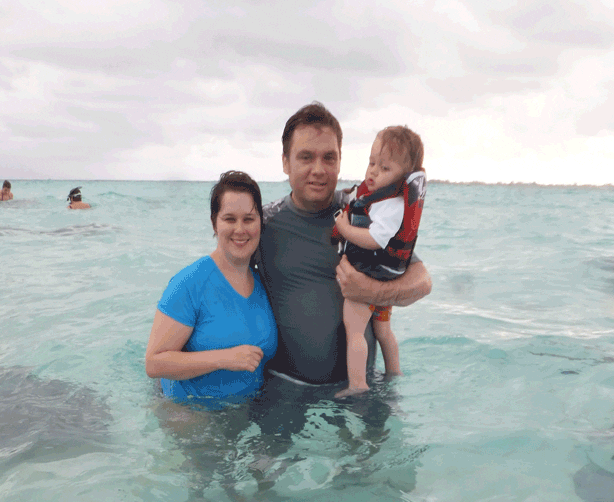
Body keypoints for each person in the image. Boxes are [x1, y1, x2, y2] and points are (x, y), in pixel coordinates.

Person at [256, 102, 431, 391]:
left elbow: (422, 281)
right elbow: (216, 280)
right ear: (286, 162)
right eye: (306, 157)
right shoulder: (262, 223)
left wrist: (375, 292)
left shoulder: (362, 213)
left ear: (340, 160)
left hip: (362, 394)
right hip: (285, 390)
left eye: (329, 157)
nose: (319, 170)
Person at [145, 170, 277, 403]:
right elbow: (154, 363)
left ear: (260, 223)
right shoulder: (189, 283)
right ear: (214, 224)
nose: (240, 229)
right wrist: (224, 358)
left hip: (245, 414)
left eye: (248, 219)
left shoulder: (261, 282)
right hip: (192, 415)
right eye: (229, 219)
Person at [332, 126, 426, 397]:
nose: (373, 172)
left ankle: (358, 385)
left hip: (371, 272)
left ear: (403, 178)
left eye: (384, 169)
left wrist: (344, 227)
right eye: (372, 163)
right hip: (388, 275)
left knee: (355, 330)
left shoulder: (392, 205)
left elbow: (375, 239)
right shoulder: (385, 200)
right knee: (383, 329)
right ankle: (394, 372)